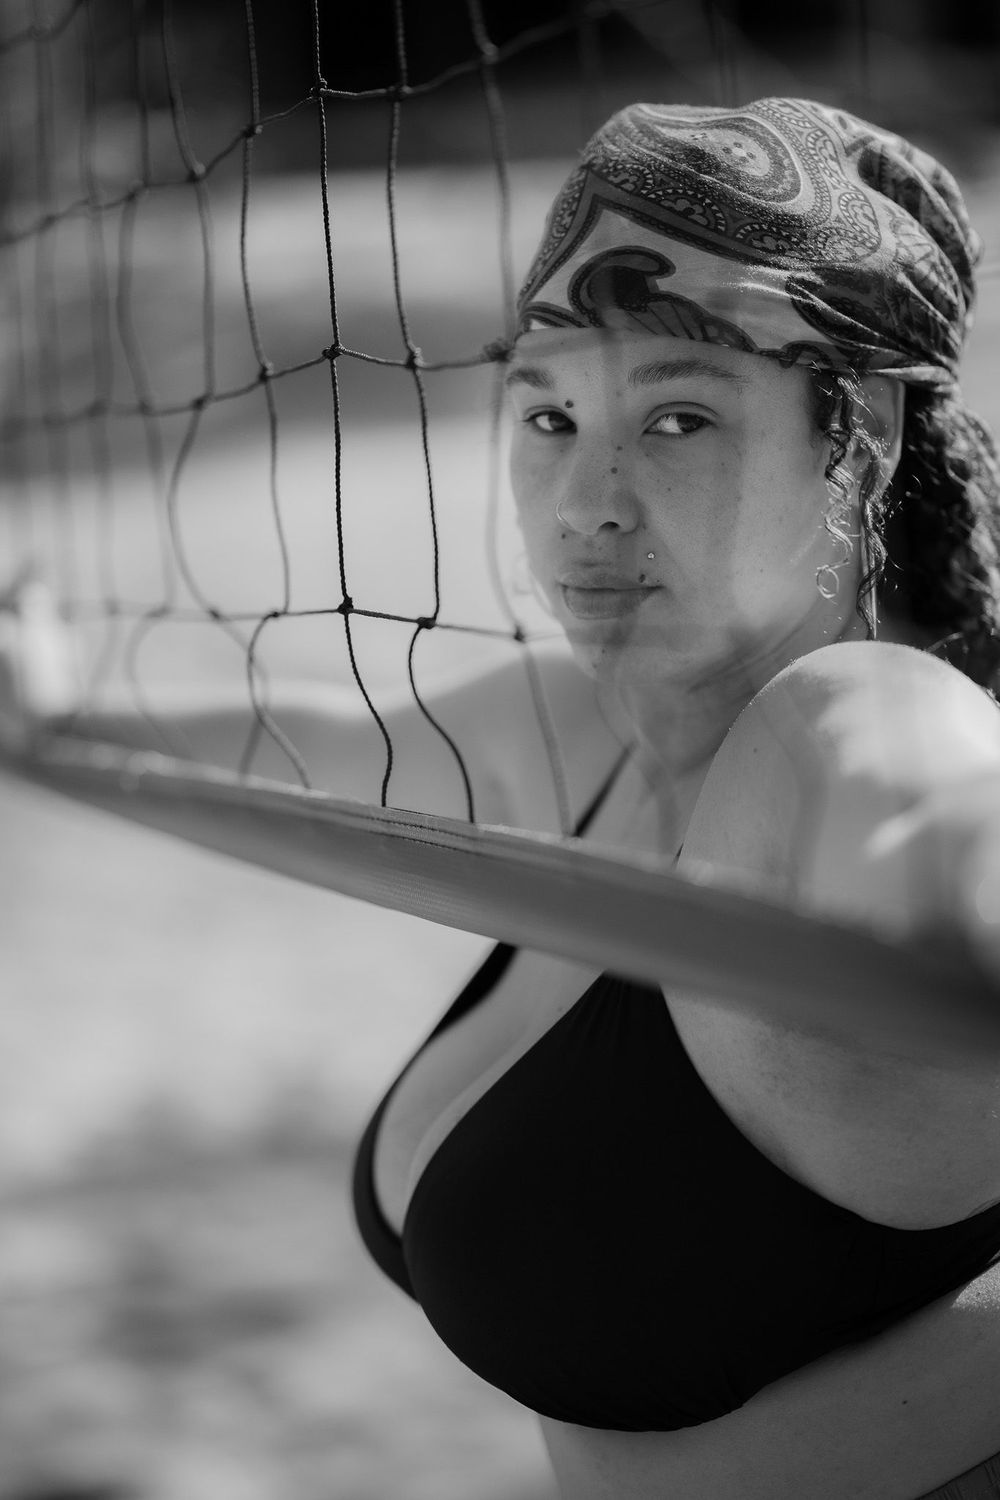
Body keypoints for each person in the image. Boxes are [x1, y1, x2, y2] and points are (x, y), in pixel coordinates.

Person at [5, 95, 1000, 1498]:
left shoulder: (849, 719)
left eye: (676, 415)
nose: (586, 498)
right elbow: (312, 742)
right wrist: (48, 710)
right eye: (548, 411)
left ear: (864, 439)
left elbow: (941, 822)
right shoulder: (594, 722)